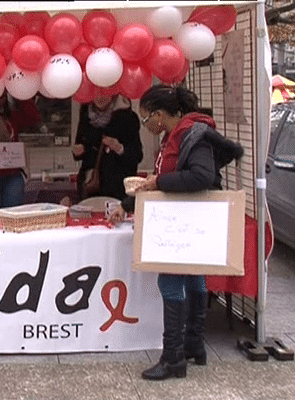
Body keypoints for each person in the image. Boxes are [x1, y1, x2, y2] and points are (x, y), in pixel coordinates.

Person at [108, 84, 244, 380]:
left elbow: (200, 176)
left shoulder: (192, 135)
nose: (147, 125)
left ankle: (173, 358)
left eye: (146, 119)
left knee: (171, 282)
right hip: (183, 222)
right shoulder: (176, 135)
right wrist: (128, 203)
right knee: (194, 277)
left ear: (159, 115)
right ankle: (194, 346)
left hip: (182, 225)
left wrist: (157, 183)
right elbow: (165, 179)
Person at [73, 93, 143, 201]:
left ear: (114, 94)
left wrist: (119, 148)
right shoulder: (86, 116)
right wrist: (78, 152)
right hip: (91, 185)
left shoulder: (128, 117)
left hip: (118, 187)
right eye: (96, 92)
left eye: (105, 93)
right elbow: (80, 145)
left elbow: (137, 155)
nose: (100, 97)